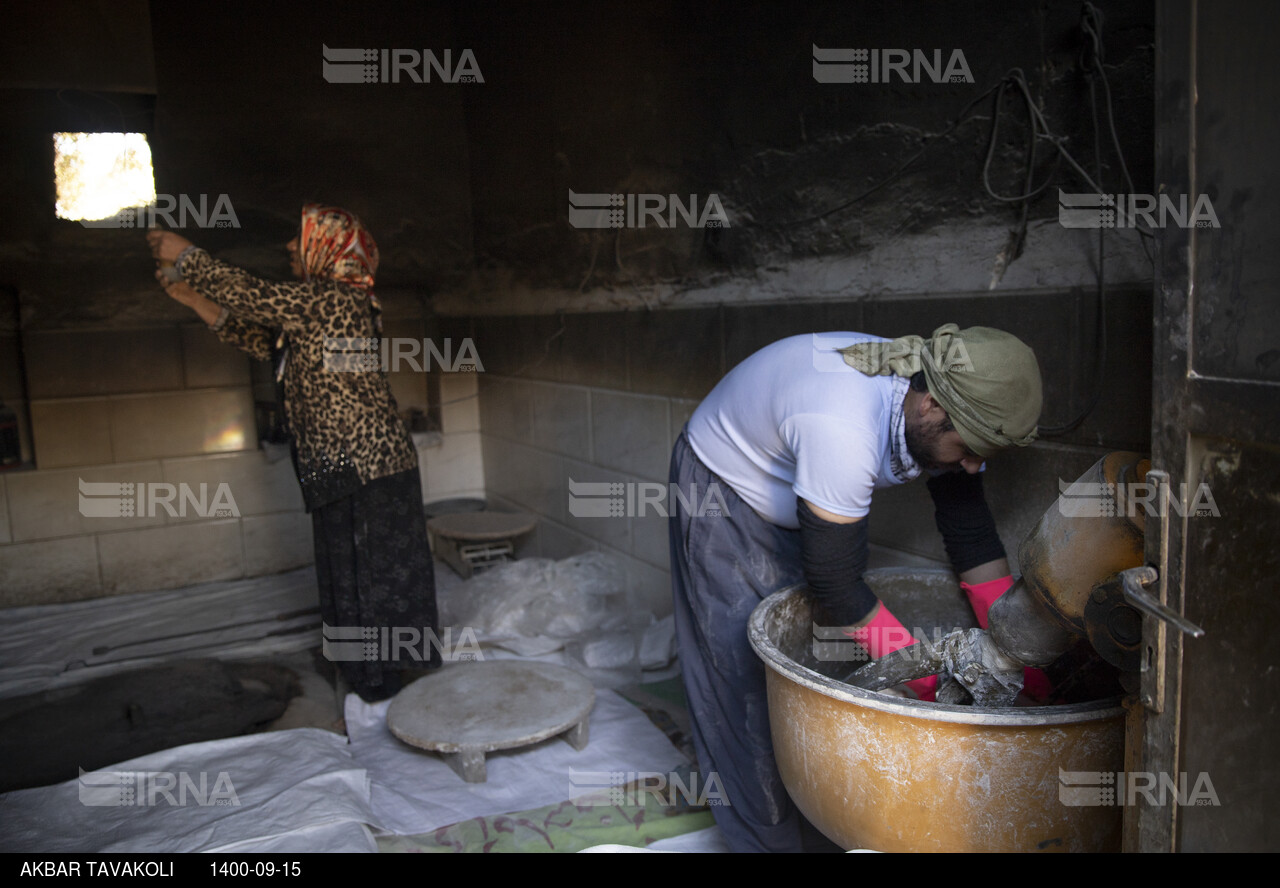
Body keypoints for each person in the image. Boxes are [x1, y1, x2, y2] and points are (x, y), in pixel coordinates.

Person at [667, 323, 1045, 852]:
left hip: (796, 483)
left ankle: (824, 823)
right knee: (746, 684)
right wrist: (935, 690)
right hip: (724, 484)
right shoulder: (842, 425)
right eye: (968, 450)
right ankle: (762, 842)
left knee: (821, 662)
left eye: (984, 455)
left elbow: (973, 538)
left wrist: (1023, 660)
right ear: (931, 405)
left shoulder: (938, 402)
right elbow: (838, 586)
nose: (973, 466)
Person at [147, 205, 439, 703]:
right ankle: (363, 674)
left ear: (328, 249)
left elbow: (258, 298)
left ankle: (386, 680)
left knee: (371, 571)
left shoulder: (338, 301)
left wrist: (190, 256)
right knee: (340, 566)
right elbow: (263, 340)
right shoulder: (312, 310)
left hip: (370, 462)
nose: (288, 248)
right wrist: (195, 299)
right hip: (330, 459)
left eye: (298, 240)